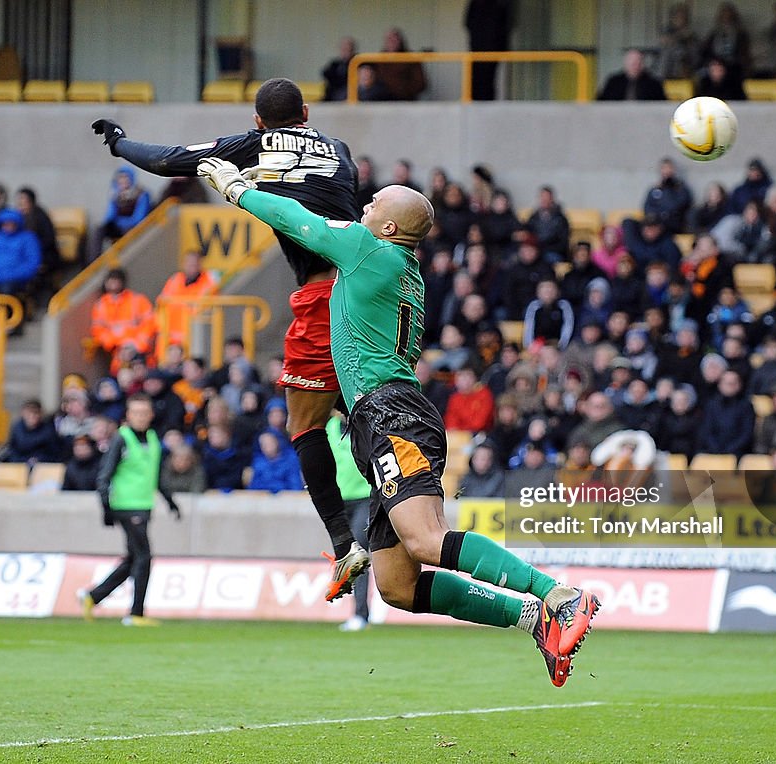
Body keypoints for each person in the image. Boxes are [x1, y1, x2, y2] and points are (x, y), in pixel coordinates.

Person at [199, 161, 600, 686]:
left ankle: (559, 595)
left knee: (428, 539)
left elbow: (303, 223)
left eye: (373, 204)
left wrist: (238, 190)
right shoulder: (392, 264)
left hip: (393, 415)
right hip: (381, 416)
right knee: (397, 586)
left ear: (388, 227)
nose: (363, 208)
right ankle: (530, 618)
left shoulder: (371, 251)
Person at [92, 78, 369, 600]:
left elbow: (172, 159)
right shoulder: (339, 150)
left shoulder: (256, 144)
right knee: (358, 405)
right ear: (307, 111)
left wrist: (121, 142)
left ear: (260, 120)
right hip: (370, 288)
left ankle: (343, 543)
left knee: (304, 423)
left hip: (323, 293)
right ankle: (398, 499)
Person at [80, 394, 181, 626]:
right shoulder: (121, 439)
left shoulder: (154, 439)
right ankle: (136, 614)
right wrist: (106, 506)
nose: (141, 417)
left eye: (144, 413)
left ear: (151, 415)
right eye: (136, 413)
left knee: (134, 558)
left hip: (144, 505)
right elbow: (105, 475)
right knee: (144, 556)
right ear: (128, 415)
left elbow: (154, 475)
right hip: (126, 506)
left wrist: (169, 500)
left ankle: (93, 597)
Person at [326, 414, 373, 631]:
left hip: (365, 496)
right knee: (348, 554)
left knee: (358, 552)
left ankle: (360, 614)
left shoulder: (365, 424)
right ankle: (358, 612)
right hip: (339, 499)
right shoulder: (331, 427)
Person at [90, 269, 156, 375]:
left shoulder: (137, 300)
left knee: (144, 376)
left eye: (116, 281)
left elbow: (150, 323)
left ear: (122, 282)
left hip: (139, 351)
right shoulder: (101, 304)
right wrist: (115, 344)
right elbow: (98, 330)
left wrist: (137, 344)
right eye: (111, 281)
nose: (113, 285)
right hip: (118, 352)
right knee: (119, 378)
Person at [86, 166, 152, 263]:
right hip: (118, 227)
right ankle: (93, 261)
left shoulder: (141, 194)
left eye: (126, 177)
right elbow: (109, 216)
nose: (123, 181)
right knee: (100, 229)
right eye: (120, 178)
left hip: (133, 228)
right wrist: (116, 199)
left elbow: (139, 218)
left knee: (129, 232)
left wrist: (122, 222)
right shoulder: (115, 195)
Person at [157, 250, 218, 348]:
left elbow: (206, 308)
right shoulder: (175, 279)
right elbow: (161, 302)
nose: (191, 267)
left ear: (200, 264)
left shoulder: (209, 282)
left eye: (194, 264)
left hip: (193, 337)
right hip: (169, 336)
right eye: (188, 263)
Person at [0, 208, 42, 299]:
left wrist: (11, 275)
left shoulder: (28, 238)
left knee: (6, 290)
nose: (7, 226)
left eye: (10, 223)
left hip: (16, 278)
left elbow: (32, 263)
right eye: (4, 223)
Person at [464, 0, 514, 100]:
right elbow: (468, 23)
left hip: (486, 49)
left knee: (484, 80)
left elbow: (468, 23)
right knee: (483, 80)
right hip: (484, 49)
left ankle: (483, 104)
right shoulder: (498, 4)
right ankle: (482, 104)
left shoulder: (500, 4)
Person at [372, 27, 427, 101]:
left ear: (400, 41)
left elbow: (421, 83)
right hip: (382, 101)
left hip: (404, 101)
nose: (391, 42)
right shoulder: (378, 58)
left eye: (394, 39)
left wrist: (403, 91)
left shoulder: (410, 58)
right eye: (388, 39)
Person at [597, 48, 665, 101]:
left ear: (642, 64)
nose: (635, 66)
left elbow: (662, 105)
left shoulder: (654, 84)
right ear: (625, 63)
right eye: (632, 63)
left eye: (638, 63)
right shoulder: (613, 82)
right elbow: (600, 103)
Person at [321, 36, 356, 101]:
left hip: (347, 95)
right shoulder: (335, 64)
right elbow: (325, 74)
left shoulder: (358, 62)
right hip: (332, 96)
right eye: (343, 48)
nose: (345, 50)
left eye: (347, 47)